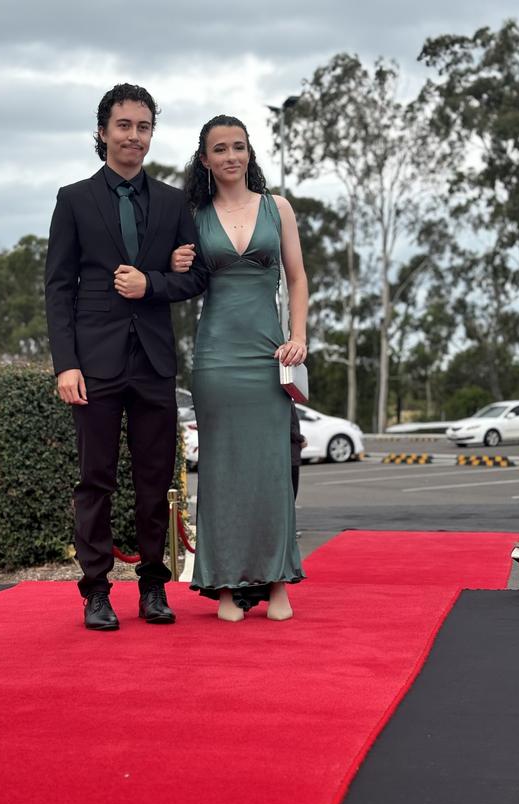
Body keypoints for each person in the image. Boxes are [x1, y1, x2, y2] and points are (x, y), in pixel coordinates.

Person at [45, 83, 207, 631]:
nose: (133, 136)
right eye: (123, 126)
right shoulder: (73, 199)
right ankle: (95, 591)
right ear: (103, 132)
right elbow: (58, 288)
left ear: (150, 134)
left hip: (155, 364)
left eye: (143, 127)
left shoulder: (171, 202)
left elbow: (196, 280)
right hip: (93, 365)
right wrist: (66, 363)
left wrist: (153, 283)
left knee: (155, 479)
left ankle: (154, 587)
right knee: (96, 479)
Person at [171, 115, 309, 622]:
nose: (231, 156)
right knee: (222, 471)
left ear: (249, 153)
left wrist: (298, 337)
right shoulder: (194, 214)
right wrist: (176, 266)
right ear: (205, 160)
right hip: (215, 357)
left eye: (239, 147)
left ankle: (277, 586)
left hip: (268, 354)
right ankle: (224, 587)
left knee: (272, 470)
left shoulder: (278, 209)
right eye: (220, 149)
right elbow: (176, 277)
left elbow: (297, 278)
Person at [290, 402, 307, 500]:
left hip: (291, 454)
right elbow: (290, 428)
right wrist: (301, 439)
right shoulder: (287, 402)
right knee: (292, 491)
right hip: (291, 455)